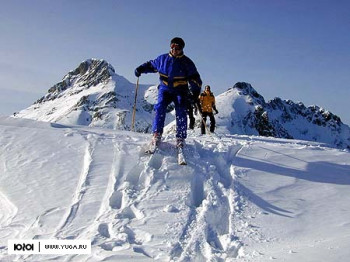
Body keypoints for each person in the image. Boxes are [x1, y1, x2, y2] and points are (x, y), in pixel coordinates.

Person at [135, 37, 202, 148]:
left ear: (182, 49)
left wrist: (195, 93)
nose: (175, 49)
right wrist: (141, 69)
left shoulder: (187, 63)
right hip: (165, 89)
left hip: (180, 90)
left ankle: (180, 138)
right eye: (173, 46)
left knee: (181, 109)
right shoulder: (162, 59)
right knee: (160, 107)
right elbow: (151, 65)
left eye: (178, 47)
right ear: (170, 47)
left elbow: (195, 79)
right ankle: (157, 134)